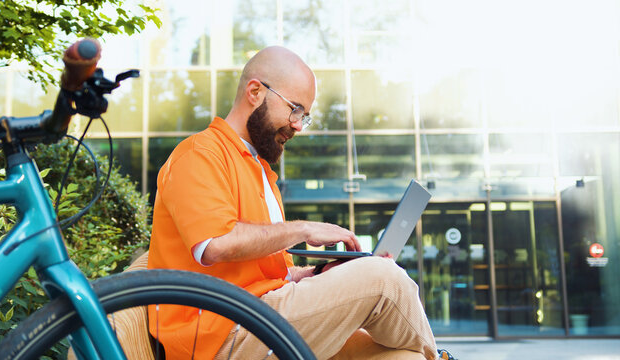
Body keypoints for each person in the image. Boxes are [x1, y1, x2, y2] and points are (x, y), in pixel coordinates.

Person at [148, 46, 454, 360]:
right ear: (255, 91)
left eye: (303, 117)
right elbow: (215, 244)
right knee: (385, 278)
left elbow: (272, 278)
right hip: (218, 334)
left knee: (402, 356)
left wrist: (322, 272)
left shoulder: (262, 174)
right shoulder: (199, 153)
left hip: (258, 317)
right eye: (295, 109)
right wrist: (304, 229)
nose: (297, 125)